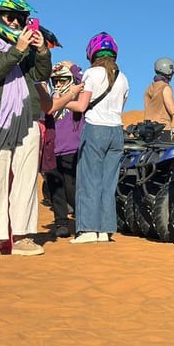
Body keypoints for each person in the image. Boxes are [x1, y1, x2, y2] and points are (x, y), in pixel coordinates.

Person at [0, 0, 52, 258]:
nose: (15, 22)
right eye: (9, 16)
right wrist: (18, 50)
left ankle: (23, 237)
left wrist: (40, 51)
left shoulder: (24, 49)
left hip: (27, 118)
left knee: (26, 179)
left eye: (20, 17)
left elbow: (41, 75)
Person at [64, 32, 129, 244]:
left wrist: (62, 101)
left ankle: (88, 230)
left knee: (89, 179)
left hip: (95, 129)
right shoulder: (123, 77)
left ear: (92, 53)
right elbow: (121, 107)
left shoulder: (92, 74)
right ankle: (105, 230)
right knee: (108, 183)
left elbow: (81, 106)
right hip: (116, 132)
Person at [36, 62, 85, 238]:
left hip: (72, 149)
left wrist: (72, 67)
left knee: (72, 187)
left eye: (63, 80)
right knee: (55, 188)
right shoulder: (48, 97)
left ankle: (81, 221)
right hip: (51, 149)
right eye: (55, 81)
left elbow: (82, 80)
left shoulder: (76, 97)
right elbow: (38, 82)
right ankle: (61, 223)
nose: (58, 84)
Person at [143, 57, 174, 128]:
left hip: (147, 128)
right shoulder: (165, 87)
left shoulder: (149, 87)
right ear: (167, 71)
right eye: (172, 71)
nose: (173, 74)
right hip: (161, 129)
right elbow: (173, 110)